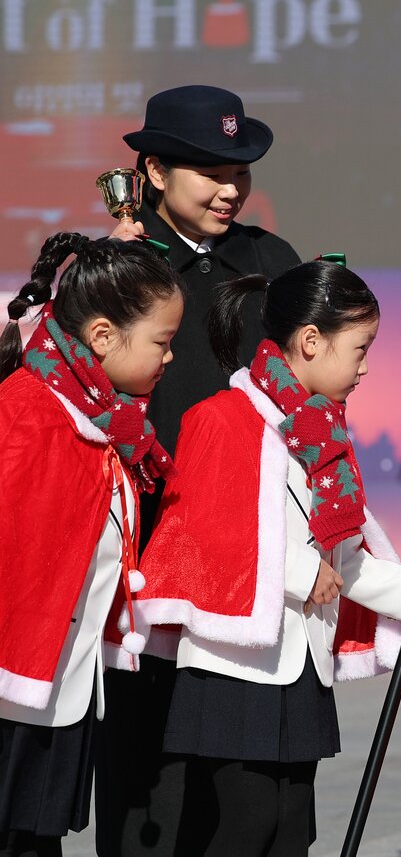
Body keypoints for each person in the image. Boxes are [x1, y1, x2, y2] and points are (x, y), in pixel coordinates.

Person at [129, 260, 401, 857]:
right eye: (360, 349)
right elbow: (201, 531)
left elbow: (349, 559)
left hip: (300, 667)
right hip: (235, 666)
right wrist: (297, 571)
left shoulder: (322, 432)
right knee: (246, 827)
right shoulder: (222, 418)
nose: (366, 368)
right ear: (312, 342)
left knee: (293, 831)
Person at [97, 84, 301, 856]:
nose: (230, 189)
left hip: (250, 555)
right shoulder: (113, 262)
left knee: (245, 785)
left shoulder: (271, 261)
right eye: (209, 171)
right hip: (148, 552)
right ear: (152, 170)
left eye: (241, 171)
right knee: (150, 772)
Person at [0, 234, 182, 857]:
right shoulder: (28, 415)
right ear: (103, 337)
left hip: (59, 684)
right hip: (14, 686)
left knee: (35, 840)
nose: (170, 356)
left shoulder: (103, 421)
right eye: (161, 341)